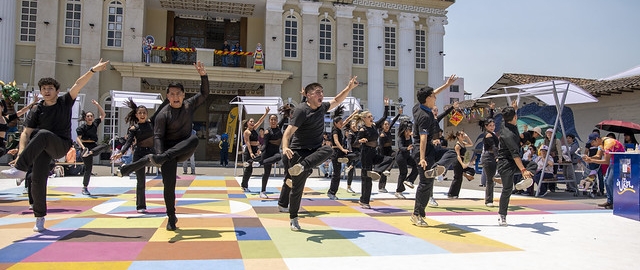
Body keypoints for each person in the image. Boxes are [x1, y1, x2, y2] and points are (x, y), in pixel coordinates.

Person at [2, 59, 109, 232]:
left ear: (57, 91)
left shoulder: (64, 102)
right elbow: (25, 133)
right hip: (42, 147)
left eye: (50, 88)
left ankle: (21, 169)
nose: (46, 91)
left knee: (42, 133)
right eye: (43, 89)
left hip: (61, 144)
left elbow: (77, 84)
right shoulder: (37, 109)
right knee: (37, 179)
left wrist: (93, 70)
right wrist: (21, 152)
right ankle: (39, 218)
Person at [278, 77, 359, 231]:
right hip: (298, 152)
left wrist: (349, 88)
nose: (321, 94)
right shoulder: (301, 110)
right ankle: (293, 218)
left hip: (314, 151)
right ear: (308, 95)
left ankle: (302, 168)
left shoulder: (322, 108)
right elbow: (288, 132)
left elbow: (336, 100)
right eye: (317, 92)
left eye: (322, 92)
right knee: (297, 188)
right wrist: (285, 147)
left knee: (329, 149)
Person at [409, 75, 457, 227]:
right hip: (421, 150)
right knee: (425, 183)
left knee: (452, 152)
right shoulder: (424, 116)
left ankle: (437, 168)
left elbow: (433, 92)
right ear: (428, 99)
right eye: (433, 96)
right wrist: (422, 158)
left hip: (430, 148)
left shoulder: (419, 106)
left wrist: (446, 85)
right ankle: (416, 215)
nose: (436, 97)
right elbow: (423, 138)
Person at [112, 97, 164, 213]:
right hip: (139, 154)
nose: (142, 115)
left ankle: (125, 170)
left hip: (152, 152)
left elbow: (160, 108)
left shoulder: (152, 122)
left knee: (157, 162)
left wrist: (168, 98)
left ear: (147, 114)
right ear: (136, 115)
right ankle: (141, 206)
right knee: (141, 181)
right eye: (140, 113)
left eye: (144, 113)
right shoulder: (133, 128)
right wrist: (120, 152)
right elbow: (128, 142)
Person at [496, 101, 537, 226]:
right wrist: (523, 170)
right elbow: (515, 155)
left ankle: (523, 183)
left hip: (512, 161)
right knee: (507, 189)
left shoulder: (505, 123)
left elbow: (507, 117)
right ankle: (502, 216)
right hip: (505, 164)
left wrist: (514, 108)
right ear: (514, 118)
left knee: (533, 165)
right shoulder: (508, 135)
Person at [582, 132, 625, 209]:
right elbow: (598, 156)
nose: (592, 145)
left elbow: (606, 161)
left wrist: (591, 160)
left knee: (609, 181)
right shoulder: (601, 143)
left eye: (592, 142)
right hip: (614, 160)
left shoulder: (608, 144)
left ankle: (614, 202)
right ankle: (610, 201)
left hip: (619, 161)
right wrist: (588, 158)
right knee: (606, 180)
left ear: (597, 139)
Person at [75, 99, 109, 195]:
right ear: (85, 118)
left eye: (91, 116)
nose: (89, 117)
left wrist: (97, 104)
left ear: (93, 118)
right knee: (88, 168)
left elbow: (103, 115)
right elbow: (78, 139)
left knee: (105, 145)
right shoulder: (82, 128)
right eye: (88, 116)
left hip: (93, 147)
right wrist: (83, 148)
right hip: (85, 147)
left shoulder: (95, 124)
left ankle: (90, 152)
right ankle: (85, 187)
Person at [326, 106, 358, 200]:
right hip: (336, 152)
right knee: (336, 174)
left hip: (340, 152)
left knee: (356, 154)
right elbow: (336, 141)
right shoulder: (335, 130)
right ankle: (332, 192)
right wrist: (343, 149)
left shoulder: (339, 128)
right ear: (335, 123)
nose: (342, 124)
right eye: (340, 123)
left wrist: (354, 114)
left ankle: (349, 164)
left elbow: (347, 120)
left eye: (341, 123)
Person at [0, 94, 40, 158]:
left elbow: (22, 111)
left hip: (2, 144)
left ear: (2, 107)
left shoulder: (6, 118)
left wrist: (33, 102)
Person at [240, 108, 269, 192]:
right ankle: (244, 186)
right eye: (251, 122)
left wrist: (266, 113)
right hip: (249, 151)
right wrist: (251, 153)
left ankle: (255, 162)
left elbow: (260, 121)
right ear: (247, 123)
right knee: (248, 169)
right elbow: (248, 143)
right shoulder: (247, 132)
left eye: (253, 121)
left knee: (253, 166)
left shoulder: (254, 129)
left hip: (255, 149)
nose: (252, 123)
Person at [377, 100, 402, 193]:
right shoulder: (382, 134)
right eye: (385, 124)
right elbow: (380, 146)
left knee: (395, 155)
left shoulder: (389, 129)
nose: (387, 125)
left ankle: (387, 170)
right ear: (382, 126)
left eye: (388, 124)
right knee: (384, 168)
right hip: (383, 151)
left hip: (390, 150)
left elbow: (394, 120)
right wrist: (386, 106)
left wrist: (399, 114)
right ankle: (381, 187)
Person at [256, 114, 284, 198]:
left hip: (275, 153)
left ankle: (260, 163)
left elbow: (285, 118)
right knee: (267, 173)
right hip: (267, 154)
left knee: (279, 157)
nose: (273, 121)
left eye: (275, 119)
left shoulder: (279, 127)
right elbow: (264, 144)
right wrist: (260, 150)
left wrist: (287, 111)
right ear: (269, 121)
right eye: (271, 119)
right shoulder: (267, 132)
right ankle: (263, 191)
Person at [479, 108, 499, 207]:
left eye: (493, 125)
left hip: (491, 156)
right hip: (488, 157)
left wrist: (491, 110)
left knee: (491, 179)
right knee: (490, 179)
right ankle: (488, 200)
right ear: (486, 126)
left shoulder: (492, 133)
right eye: (490, 126)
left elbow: (490, 118)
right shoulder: (488, 135)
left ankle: (490, 199)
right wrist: (497, 157)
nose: (492, 127)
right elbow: (493, 146)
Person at [446, 130, 474, 199]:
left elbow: (471, 144)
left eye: (463, 134)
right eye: (462, 135)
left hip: (463, 160)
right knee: (457, 178)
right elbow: (458, 155)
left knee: (471, 171)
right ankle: (452, 193)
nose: (463, 136)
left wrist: (467, 137)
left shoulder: (463, 143)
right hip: (458, 161)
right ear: (458, 136)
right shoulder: (457, 145)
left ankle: (465, 174)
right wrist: (462, 164)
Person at [394, 119, 418, 199]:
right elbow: (400, 147)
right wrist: (407, 148)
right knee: (403, 172)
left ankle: (409, 180)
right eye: (407, 130)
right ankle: (398, 191)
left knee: (416, 165)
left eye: (410, 130)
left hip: (407, 156)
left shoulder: (409, 137)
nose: (409, 132)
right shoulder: (401, 137)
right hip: (400, 156)